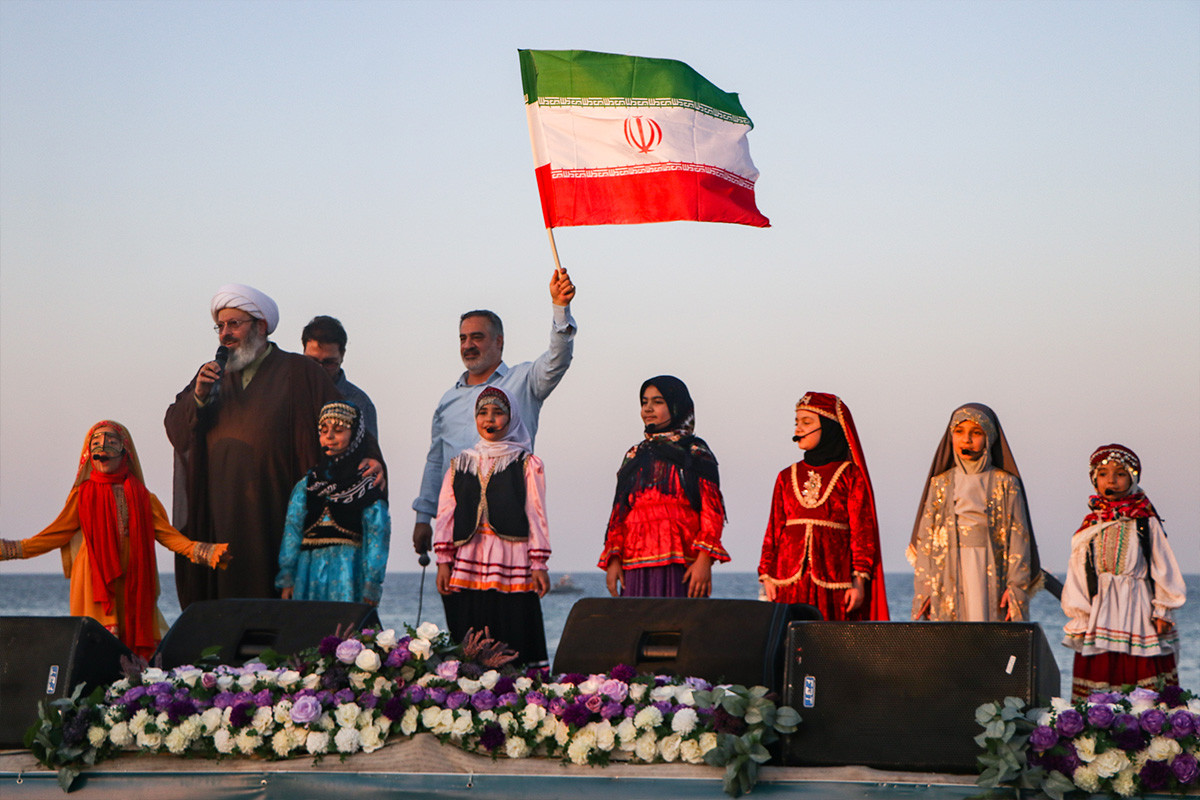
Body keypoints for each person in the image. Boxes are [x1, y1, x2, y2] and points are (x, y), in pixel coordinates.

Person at [165, 284, 383, 608]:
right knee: (228, 609)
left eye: (234, 324)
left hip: (279, 510)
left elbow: (346, 420)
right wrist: (197, 397)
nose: (225, 334)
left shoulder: (300, 371)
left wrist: (369, 458)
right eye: (220, 326)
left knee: (279, 605)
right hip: (222, 516)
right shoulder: (212, 377)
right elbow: (176, 427)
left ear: (261, 326)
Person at [0, 421, 229, 658]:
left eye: (111, 442)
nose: (103, 449)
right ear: (89, 455)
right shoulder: (82, 495)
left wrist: (206, 553)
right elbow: (53, 535)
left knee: (135, 654)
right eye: (96, 444)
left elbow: (168, 536)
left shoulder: (144, 497)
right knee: (97, 649)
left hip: (135, 579)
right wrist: (9, 550)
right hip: (95, 582)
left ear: (125, 451)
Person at [412, 267, 576, 556]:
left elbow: (558, 358)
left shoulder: (524, 381)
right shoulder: (448, 400)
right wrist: (423, 518)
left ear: (499, 341)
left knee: (509, 587)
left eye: (477, 337)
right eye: (463, 338)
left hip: (509, 524)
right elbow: (436, 461)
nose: (468, 345)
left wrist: (560, 308)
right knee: (458, 587)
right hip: (458, 526)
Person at [433, 387, 550, 667]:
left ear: (512, 417)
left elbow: (536, 513)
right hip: (469, 557)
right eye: (483, 412)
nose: (490, 419)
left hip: (511, 556)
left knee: (513, 623)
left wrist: (539, 562)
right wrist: (443, 561)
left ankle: (516, 685)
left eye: (498, 412)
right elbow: (446, 514)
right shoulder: (460, 463)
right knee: (470, 628)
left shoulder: (525, 463)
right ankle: (472, 685)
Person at [1061, 444, 1185, 699]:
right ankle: (1099, 722)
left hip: (1138, 610)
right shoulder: (1090, 526)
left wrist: (1162, 610)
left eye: (1120, 474)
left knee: (1143, 680)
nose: (1111, 481)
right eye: (1103, 474)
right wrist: (1080, 617)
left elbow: (1163, 566)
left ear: (1132, 478)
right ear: (1095, 480)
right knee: (1100, 678)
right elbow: (1078, 574)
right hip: (1100, 612)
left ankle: (1146, 722)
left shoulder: (1145, 521)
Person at [758, 392, 889, 621]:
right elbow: (773, 529)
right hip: (787, 583)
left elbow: (862, 532)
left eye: (807, 422)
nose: (798, 428)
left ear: (828, 427)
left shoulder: (850, 475)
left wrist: (859, 582)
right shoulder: (785, 476)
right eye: (796, 422)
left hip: (835, 585)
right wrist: (767, 575)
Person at [906, 403, 1042, 622]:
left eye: (976, 433)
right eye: (959, 431)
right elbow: (926, 541)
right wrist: (926, 589)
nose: (966, 440)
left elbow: (1019, 539)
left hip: (990, 571)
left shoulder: (1006, 483)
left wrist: (1015, 588)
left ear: (989, 438)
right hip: (947, 571)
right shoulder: (940, 484)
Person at [599, 376, 729, 598]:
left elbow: (712, 511)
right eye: (644, 402)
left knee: (679, 619)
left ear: (677, 406)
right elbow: (619, 513)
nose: (648, 408)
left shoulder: (695, 453)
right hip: (634, 563)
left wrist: (704, 560)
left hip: (682, 562)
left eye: (658, 402)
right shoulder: (634, 455)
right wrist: (613, 560)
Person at [276, 402, 390, 605]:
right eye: (323, 430)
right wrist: (288, 575)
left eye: (338, 430)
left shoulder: (366, 484)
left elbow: (377, 532)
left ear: (355, 435)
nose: (329, 436)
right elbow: (292, 529)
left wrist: (372, 583)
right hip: (307, 571)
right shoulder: (308, 484)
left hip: (348, 572)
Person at [301, 315, 379, 439]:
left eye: (328, 363)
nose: (319, 369)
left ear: (342, 356)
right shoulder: (285, 393)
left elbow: (368, 450)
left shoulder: (360, 404)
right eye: (312, 362)